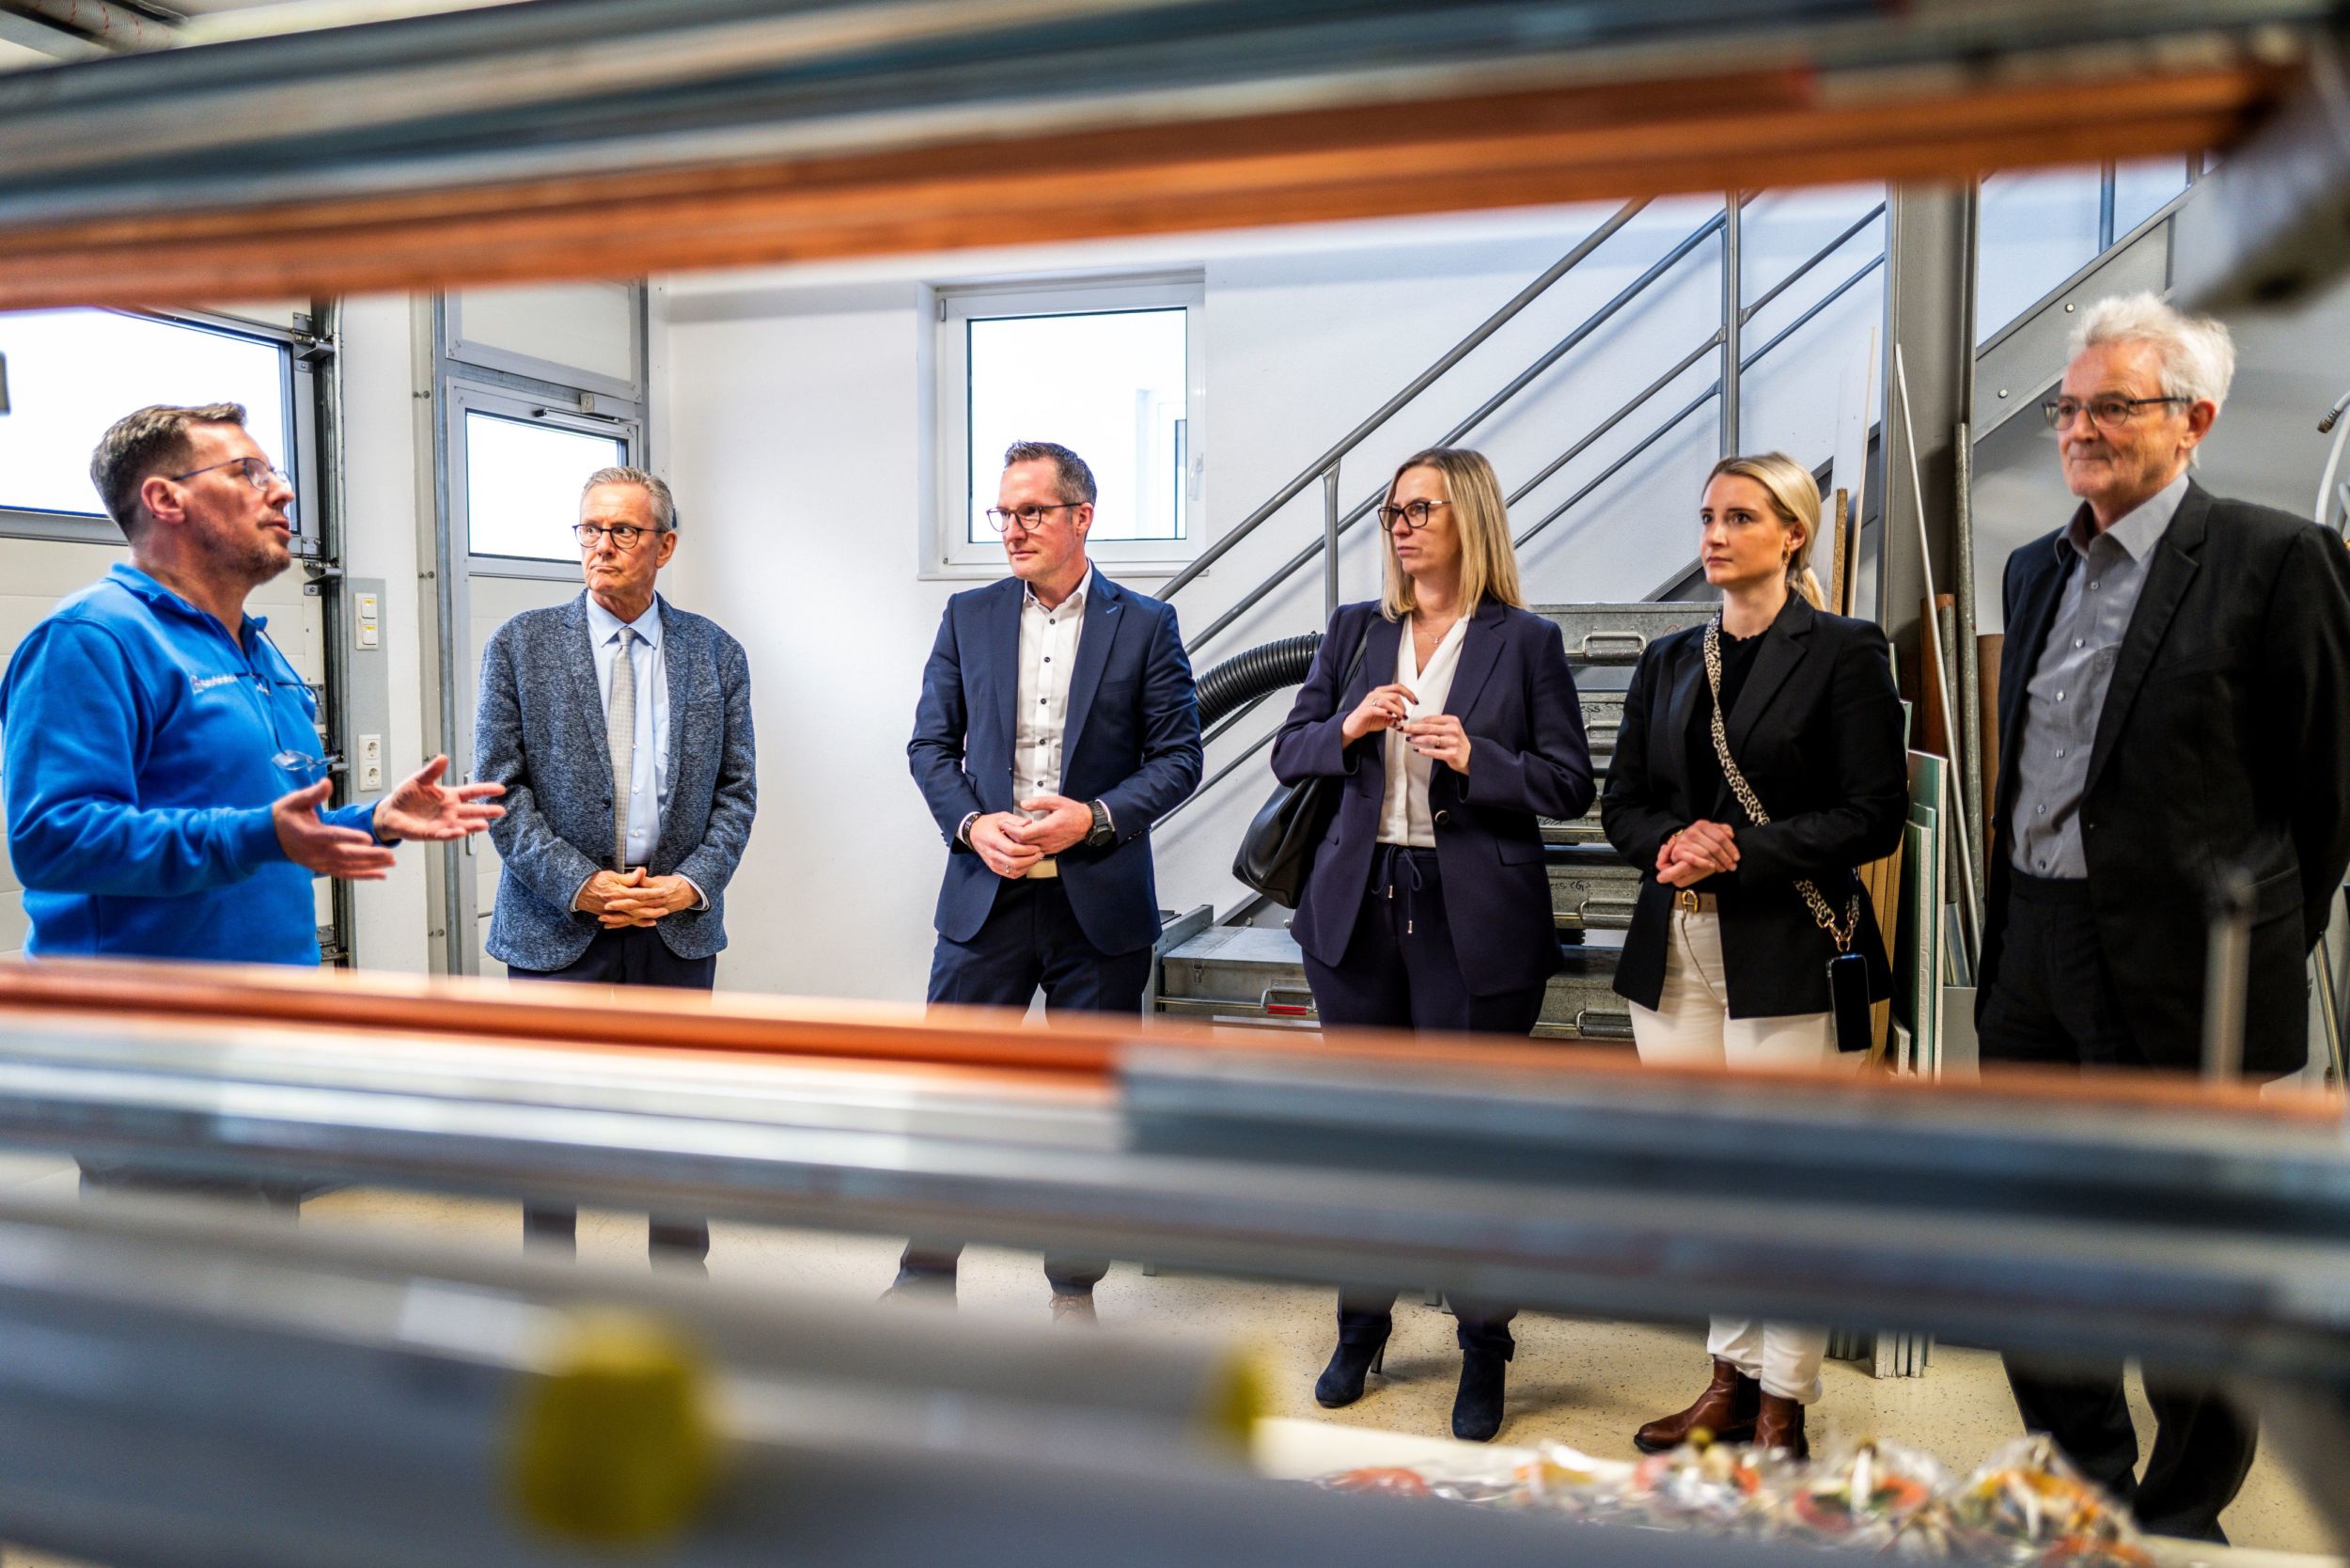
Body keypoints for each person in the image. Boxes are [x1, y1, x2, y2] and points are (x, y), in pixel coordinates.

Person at [1977, 293, 2350, 1542]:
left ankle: (2185, 1509)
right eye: (2069, 406)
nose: (2080, 428)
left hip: (2191, 967)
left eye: (2113, 406)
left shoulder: (2277, 559)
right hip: (2032, 950)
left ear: (2196, 419)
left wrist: (2256, 954)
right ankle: (2090, 1484)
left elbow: (2325, 793)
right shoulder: (2033, 568)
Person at [1, 401, 504, 1205]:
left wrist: (369, 820)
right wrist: (261, 834)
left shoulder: (254, 645)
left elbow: (269, 825)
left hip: (263, 1041)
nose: (284, 491)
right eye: (249, 473)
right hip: (149, 1060)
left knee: (259, 1287)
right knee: (179, 1305)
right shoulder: (93, 640)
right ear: (167, 500)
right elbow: (54, 838)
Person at [1270, 446, 1593, 1443]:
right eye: (1390, 512)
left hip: (1474, 925)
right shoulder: (1356, 632)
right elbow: (1289, 750)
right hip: (1357, 913)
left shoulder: (1525, 641)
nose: (1401, 525)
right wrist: (1349, 729)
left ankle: (1483, 1348)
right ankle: (1361, 1329)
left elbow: (1570, 785)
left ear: (1469, 519)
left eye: (1420, 508)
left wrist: (1478, 759)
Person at [1600, 452, 1907, 1462]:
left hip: (1792, 951)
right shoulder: (1668, 660)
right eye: (1707, 516)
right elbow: (1623, 804)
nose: (1715, 534)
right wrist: (1673, 846)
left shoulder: (1845, 651)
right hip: (1676, 954)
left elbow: (1873, 813)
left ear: (1792, 535)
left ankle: (1786, 1401)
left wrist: (1740, 852)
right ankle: (1727, 1381)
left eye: (1739, 516)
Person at [898, 440, 1201, 1321]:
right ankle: (925, 1272)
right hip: (985, 895)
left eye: (1032, 511)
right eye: (1003, 513)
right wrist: (970, 822)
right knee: (949, 1094)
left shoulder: (1145, 624)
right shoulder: (969, 616)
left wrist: (1097, 817)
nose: (1013, 529)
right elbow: (929, 746)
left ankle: (1074, 1290)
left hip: (1097, 907)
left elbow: (1180, 758)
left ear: (1082, 517)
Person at [474, 466, 757, 1277]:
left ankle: (678, 1283)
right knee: (551, 1131)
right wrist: (580, 884)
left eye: (623, 531)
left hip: (675, 925)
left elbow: (738, 790)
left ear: (665, 545)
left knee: (676, 1125)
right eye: (589, 529)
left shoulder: (714, 652)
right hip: (554, 926)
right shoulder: (522, 645)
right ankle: (546, 1289)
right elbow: (499, 792)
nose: (601, 546)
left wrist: (692, 883)